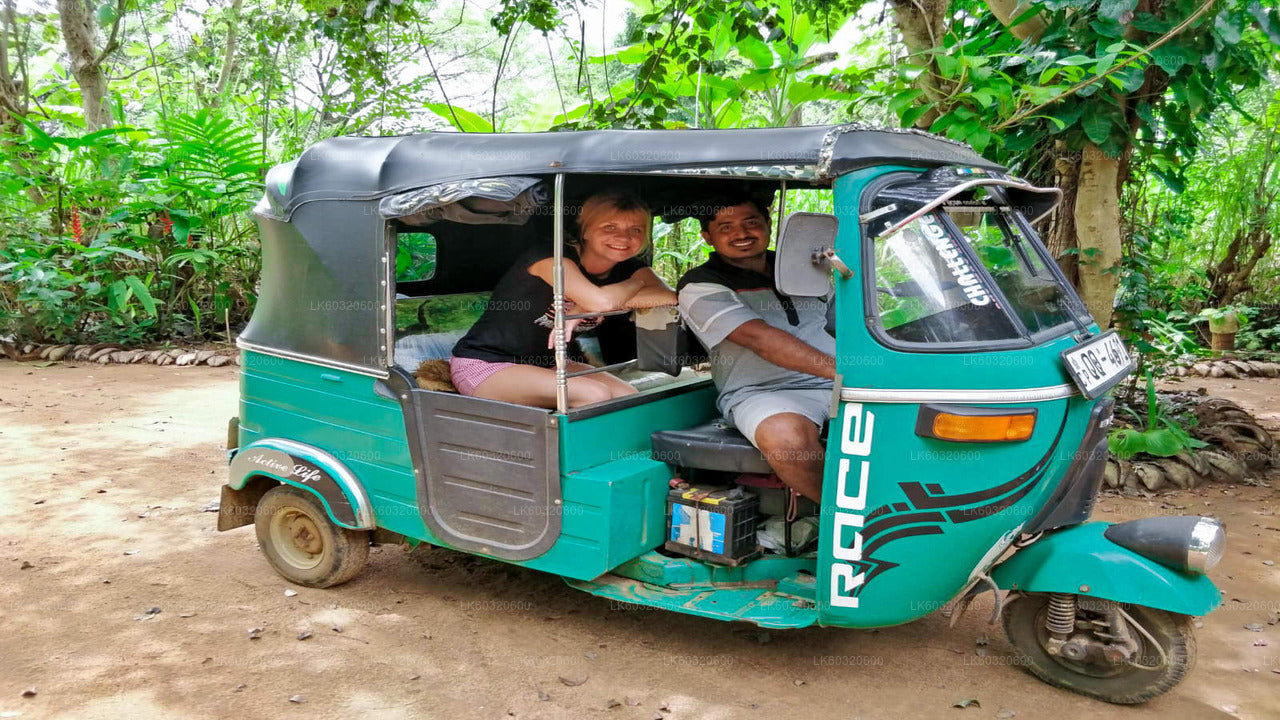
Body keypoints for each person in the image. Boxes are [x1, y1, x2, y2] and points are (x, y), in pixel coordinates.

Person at [677, 192, 835, 502]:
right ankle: (851, 517)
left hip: (837, 382)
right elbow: (761, 340)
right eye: (725, 227)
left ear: (768, 224)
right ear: (707, 237)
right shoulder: (700, 284)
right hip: (763, 392)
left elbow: (841, 321)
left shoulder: (805, 268)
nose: (741, 234)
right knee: (786, 440)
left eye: (751, 223)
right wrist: (845, 371)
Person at [450, 191, 676, 408]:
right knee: (595, 395)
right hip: (487, 364)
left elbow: (669, 296)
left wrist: (587, 305)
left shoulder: (629, 268)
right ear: (585, 230)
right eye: (609, 227)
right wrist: (633, 286)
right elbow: (601, 303)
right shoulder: (551, 257)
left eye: (635, 229)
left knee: (627, 397)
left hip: (548, 364)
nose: (624, 237)